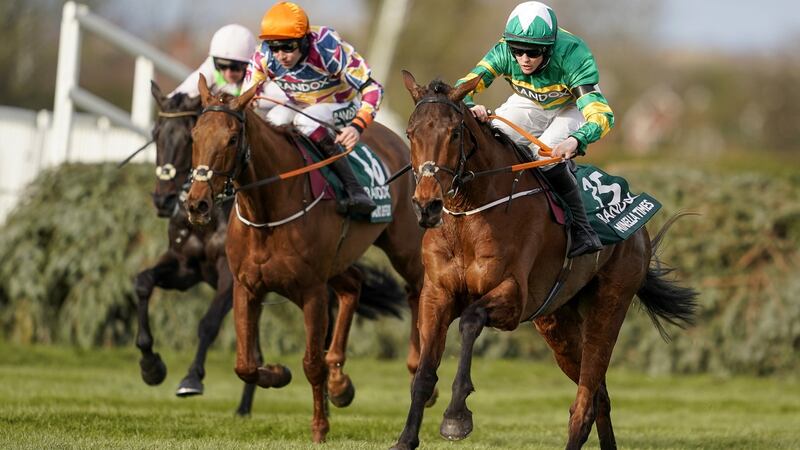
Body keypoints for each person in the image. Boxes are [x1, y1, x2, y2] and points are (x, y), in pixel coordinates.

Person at [456, 1, 611, 258]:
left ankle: (584, 230)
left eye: (533, 52)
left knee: (543, 156)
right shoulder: (503, 51)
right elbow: (464, 86)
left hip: (572, 105)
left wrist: (576, 140)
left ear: (549, 48)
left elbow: (601, 115)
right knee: (492, 136)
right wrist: (472, 105)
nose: (524, 59)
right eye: (517, 51)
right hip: (531, 100)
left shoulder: (574, 55)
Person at [243, 1, 381, 215]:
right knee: (272, 122)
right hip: (301, 103)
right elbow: (244, 99)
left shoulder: (327, 48)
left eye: (288, 46)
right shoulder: (264, 56)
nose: (280, 55)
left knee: (305, 120)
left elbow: (373, 88)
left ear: (305, 40)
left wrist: (357, 126)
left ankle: (355, 189)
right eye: (274, 47)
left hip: (342, 103)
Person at [171, 24, 257, 98]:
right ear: (214, 61)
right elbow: (176, 98)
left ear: (249, 65)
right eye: (221, 66)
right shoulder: (209, 69)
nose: (228, 73)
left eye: (235, 68)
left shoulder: (260, 71)